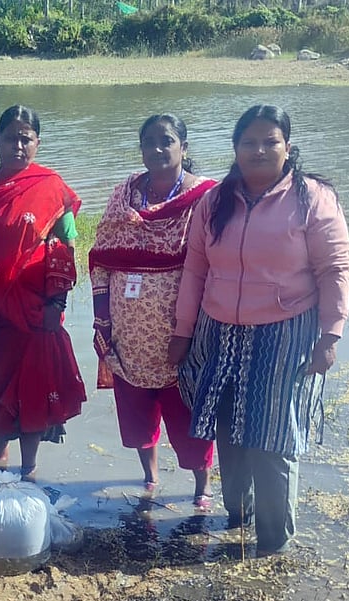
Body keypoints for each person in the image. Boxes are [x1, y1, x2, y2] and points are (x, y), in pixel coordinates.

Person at [168, 105, 349, 555]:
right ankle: (239, 516)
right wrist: (182, 331)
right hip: (220, 333)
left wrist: (330, 335)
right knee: (228, 426)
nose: (259, 150)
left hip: (283, 333)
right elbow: (195, 269)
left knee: (273, 437)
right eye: (249, 142)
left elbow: (335, 267)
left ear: (287, 147)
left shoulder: (312, 198)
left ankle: (274, 542)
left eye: (270, 141)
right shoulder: (215, 201)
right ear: (235, 149)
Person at [89, 115, 219, 511]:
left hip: (182, 331)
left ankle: (201, 485)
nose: (158, 149)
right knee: (137, 410)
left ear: (184, 147)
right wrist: (102, 320)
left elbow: (216, 263)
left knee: (189, 411)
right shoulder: (124, 194)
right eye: (149, 142)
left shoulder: (205, 198)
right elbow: (100, 258)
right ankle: (150, 476)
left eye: (167, 141)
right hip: (129, 334)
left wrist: (196, 326)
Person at [0, 105, 86, 482]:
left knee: (33, 381)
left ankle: (29, 466)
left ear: (37, 142)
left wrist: (57, 301)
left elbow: (65, 247)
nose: (18, 146)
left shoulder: (51, 187)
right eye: (10, 138)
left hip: (35, 304)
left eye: (26, 139)